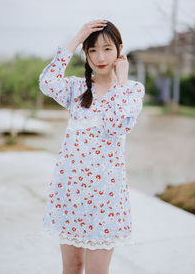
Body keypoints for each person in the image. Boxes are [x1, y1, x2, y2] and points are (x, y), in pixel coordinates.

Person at [38, 19, 145, 274]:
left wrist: (121, 81)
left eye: (107, 49)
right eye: (92, 50)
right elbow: (47, 82)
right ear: (85, 54)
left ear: (120, 50)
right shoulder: (76, 88)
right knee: (72, 268)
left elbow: (114, 126)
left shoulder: (131, 91)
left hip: (105, 199)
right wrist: (76, 38)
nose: (100, 56)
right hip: (70, 193)